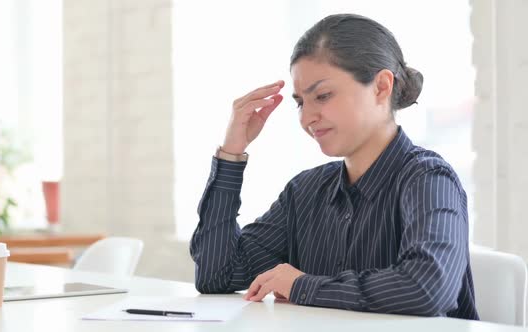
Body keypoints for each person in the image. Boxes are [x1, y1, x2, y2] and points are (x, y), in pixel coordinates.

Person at [189, 13, 479, 319]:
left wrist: (302, 286)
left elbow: (426, 289)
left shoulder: (428, 179)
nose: (306, 117)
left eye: (323, 96)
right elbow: (216, 276)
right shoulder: (305, 191)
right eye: (300, 102)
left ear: (381, 86)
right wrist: (232, 152)